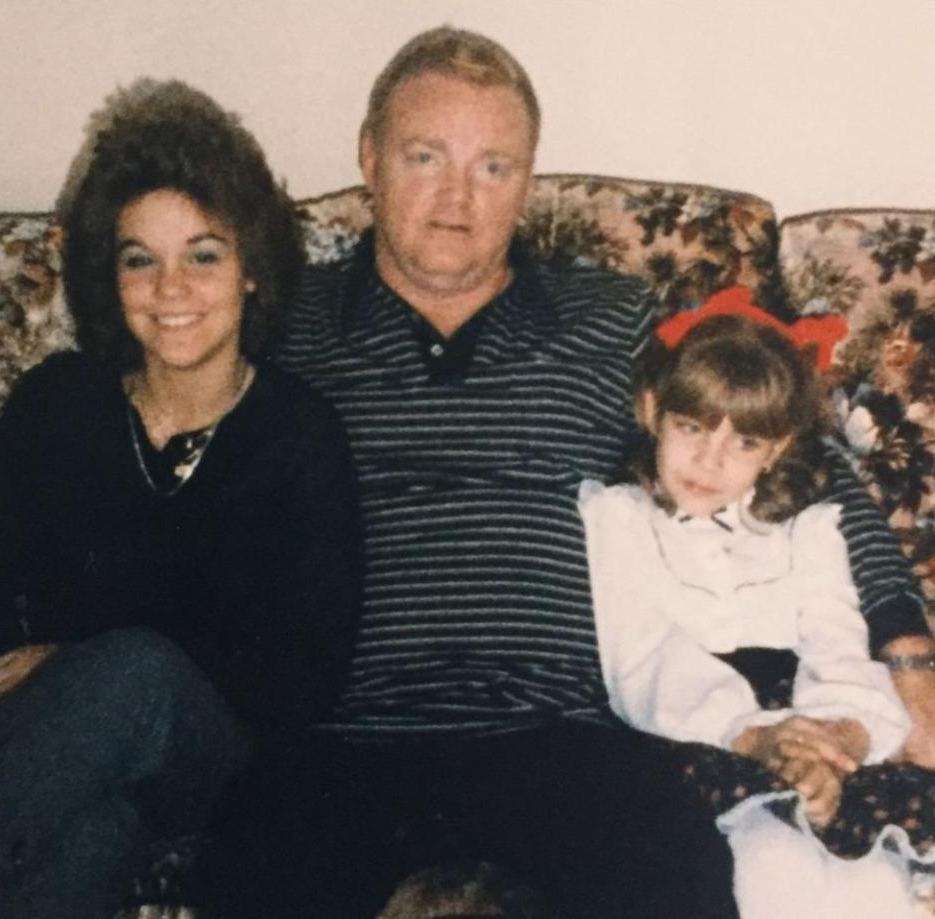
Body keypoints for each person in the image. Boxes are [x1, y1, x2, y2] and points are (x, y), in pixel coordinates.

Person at [274, 25, 935, 919]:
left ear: (529, 179)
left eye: (494, 166)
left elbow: (799, 462)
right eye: (425, 156)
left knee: (678, 880)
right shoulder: (279, 328)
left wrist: (906, 657)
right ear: (369, 158)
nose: (457, 196)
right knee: (257, 869)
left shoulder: (610, 320)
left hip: (557, 736)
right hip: (341, 738)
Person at [0, 79, 361, 919]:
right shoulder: (58, 404)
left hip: (210, 761)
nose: (171, 287)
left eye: (204, 253)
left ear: (252, 269)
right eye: (140, 258)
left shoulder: (299, 436)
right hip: (57, 760)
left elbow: (305, 674)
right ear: (110, 278)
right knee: (89, 838)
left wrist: (76, 664)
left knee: (138, 674)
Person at [580, 294, 935, 919]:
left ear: (776, 449)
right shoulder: (618, 516)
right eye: (692, 427)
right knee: (772, 869)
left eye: (744, 441)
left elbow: (837, 642)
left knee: (872, 882)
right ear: (651, 411)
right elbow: (640, 656)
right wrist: (757, 737)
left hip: (818, 732)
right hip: (701, 735)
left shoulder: (810, 527)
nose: (711, 460)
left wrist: (840, 736)